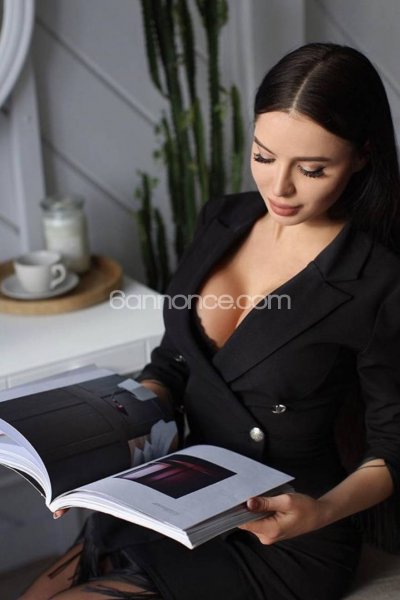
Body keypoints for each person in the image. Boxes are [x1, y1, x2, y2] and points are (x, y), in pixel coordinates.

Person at [22, 42, 400, 600]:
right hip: (178, 490)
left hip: (281, 528)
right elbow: (174, 363)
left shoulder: (376, 278)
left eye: (312, 169)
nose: (279, 188)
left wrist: (320, 511)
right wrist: (103, 439)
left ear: (363, 156)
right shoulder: (223, 218)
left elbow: (393, 445)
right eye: (264, 156)